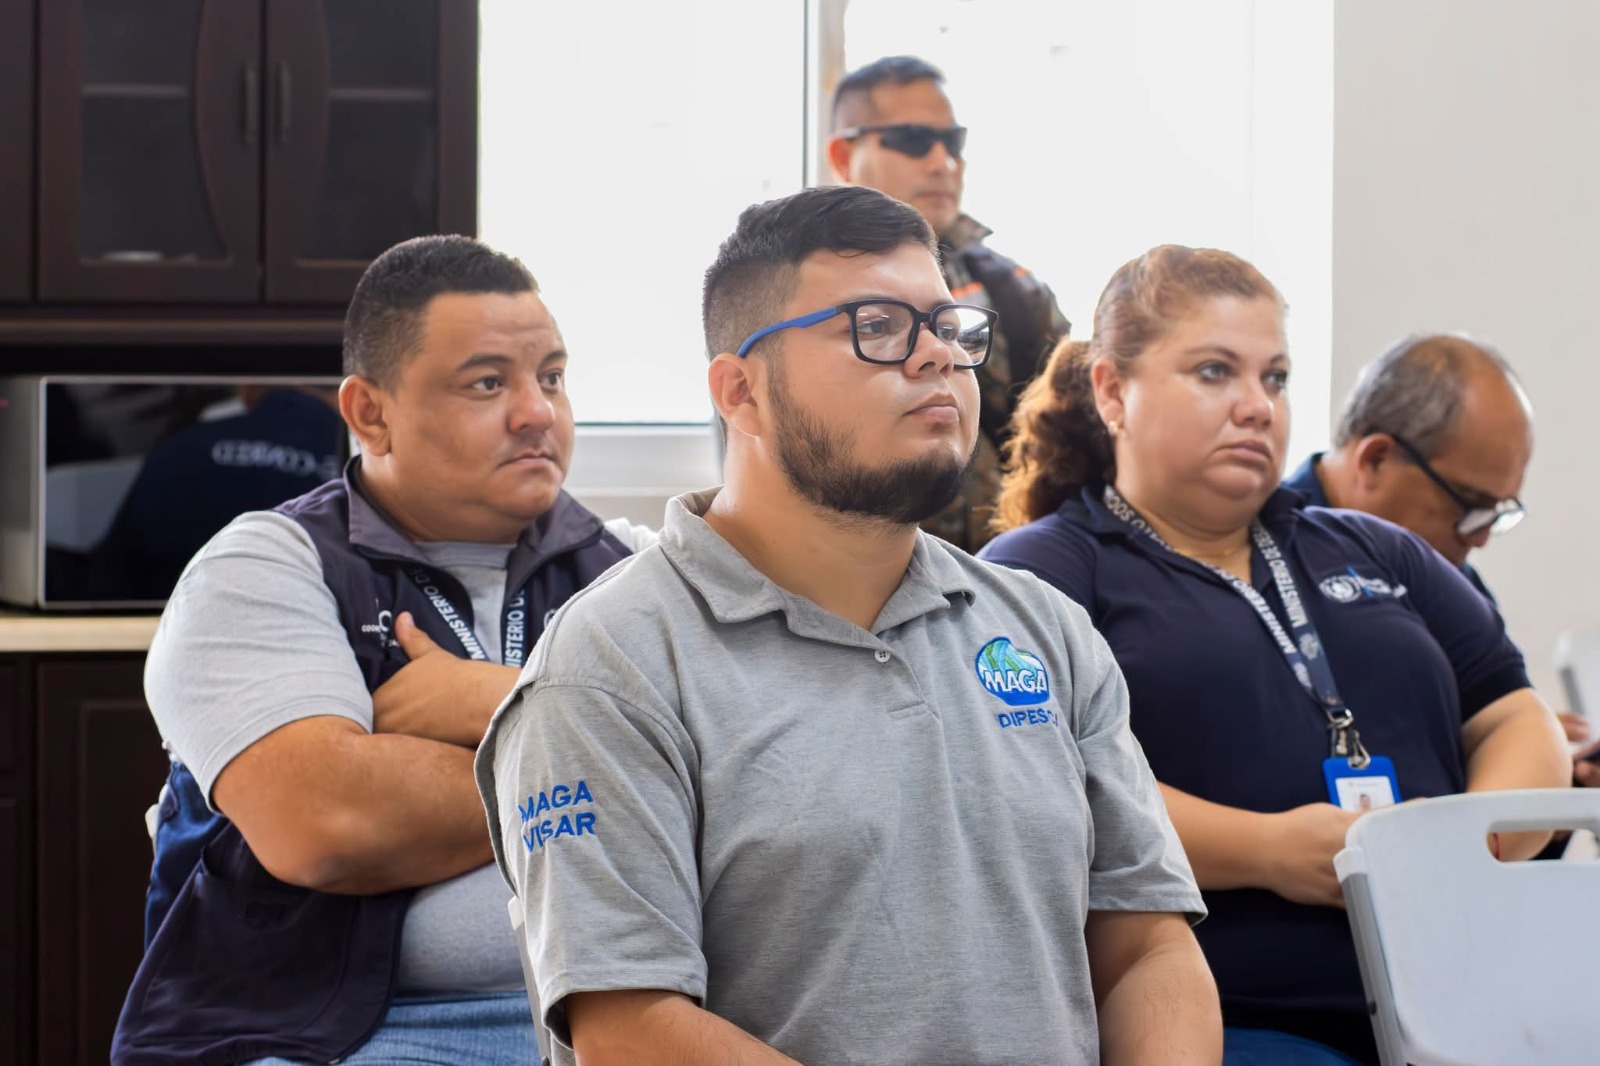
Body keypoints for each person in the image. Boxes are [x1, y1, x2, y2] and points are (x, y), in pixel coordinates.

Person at [476, 186, 1221, 1066]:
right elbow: (630, 1028)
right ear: (742, 392)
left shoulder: (1044, 629)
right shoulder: (613, 663)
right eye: (878, 327)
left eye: (948, 327)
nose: (937, 356)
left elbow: (1146, 952)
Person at [980, 245, 1572, 1066]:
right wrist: (1268, 851)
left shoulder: (1377, 547)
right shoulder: (1041, 573)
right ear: (1113, 391)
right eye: (1215, 372)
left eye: (1276, 378)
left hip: (1461, 995)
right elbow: (1034, 784)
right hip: (1235, 1016)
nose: (1257, 406)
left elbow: (1514, 713)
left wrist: (1470, 846)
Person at [113, 235, 652, 1065]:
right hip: (334, 1036)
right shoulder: (265, 566)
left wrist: (491, 700)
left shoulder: (632, 568)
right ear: (370, 413)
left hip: (620, 1018)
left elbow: (747, 775)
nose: (537, 412)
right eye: (487, 383)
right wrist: (628, 763)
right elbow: (328, 824)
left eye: (550, 377)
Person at [1283, 336, 1597, 772]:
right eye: (1468, 505)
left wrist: (1548, 776)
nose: (1480, 538)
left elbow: (1496, 737)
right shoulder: (1254, 555)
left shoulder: (1453, 580)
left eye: (1495, 513)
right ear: (1376, 459)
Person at [827, 55, 1070, 551]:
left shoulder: (1015, 291)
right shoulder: (789, 293)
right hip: (841, 578)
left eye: (952, 142)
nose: (942, 162)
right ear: (843, 155)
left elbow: (1078, 445)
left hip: (1003, 581)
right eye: (913, 140)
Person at [80, 383, 346, 602]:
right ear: (350, 395)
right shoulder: (358, 469)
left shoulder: (181, 450)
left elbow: (109, 583)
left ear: (246, 387)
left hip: (178, 634)